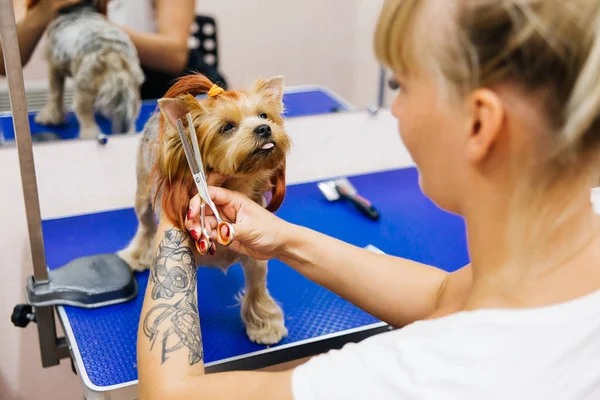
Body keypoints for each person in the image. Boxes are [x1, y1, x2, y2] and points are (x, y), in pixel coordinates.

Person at [136, 0, 600, 399]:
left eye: (401, 85)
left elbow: (173, 393)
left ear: (479, 124)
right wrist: (285, 238)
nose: (391, 107)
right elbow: (445, 294)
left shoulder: (432, 373)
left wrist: (173, 217)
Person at [0, 0, 225, 100]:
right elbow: (5, 62)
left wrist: (95, 25)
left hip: (175, 90)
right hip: (106, 96)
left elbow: (174, 54)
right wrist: (42, 12)